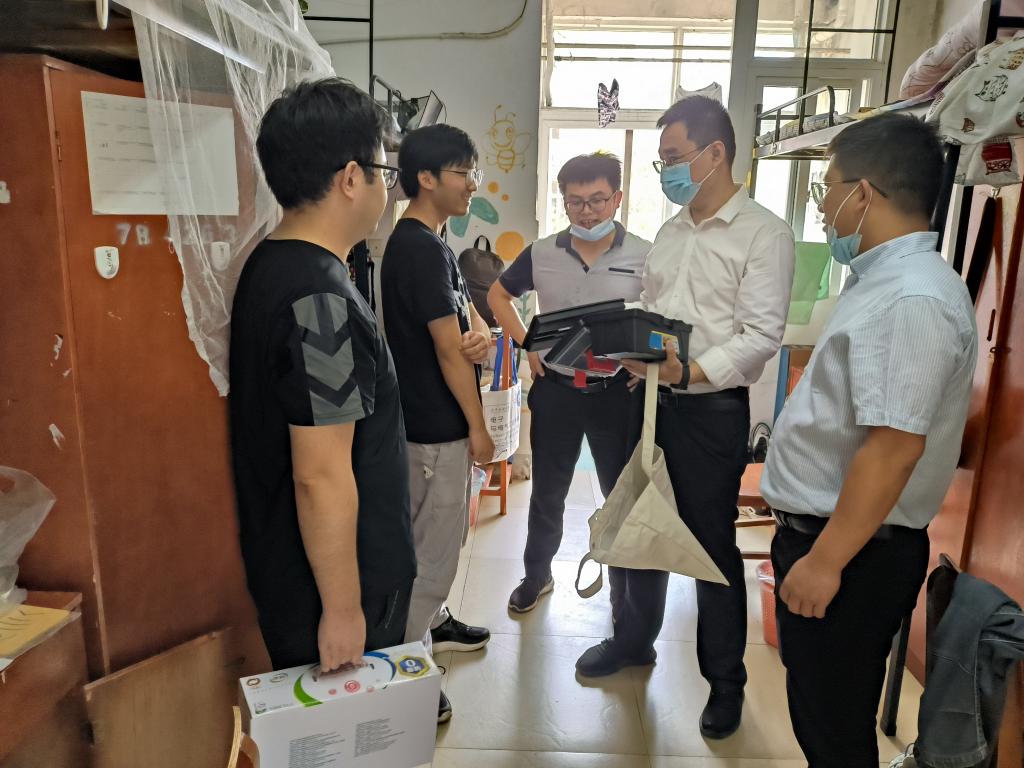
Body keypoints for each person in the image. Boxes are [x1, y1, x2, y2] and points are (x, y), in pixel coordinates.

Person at [575, 96, 796, 743]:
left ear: (714, 153)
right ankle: (632, 641)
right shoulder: (671, 232)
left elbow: (760, 336)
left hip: (709, 411)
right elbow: (653, 306)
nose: (665, 171)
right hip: (646, 400)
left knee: (709, 548)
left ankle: (725, 684)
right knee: (636, 523)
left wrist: (688, 372)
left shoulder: (763, 234)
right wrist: (629, 343)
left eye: (673, 158)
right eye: (662, 161)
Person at [761, 113, 978, 766]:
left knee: (834, 729)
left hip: (853, 553)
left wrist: (826, 561)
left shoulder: (912, 299)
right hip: (839, 541)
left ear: (863, 193)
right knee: (821, 713)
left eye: (825, 187)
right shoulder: (880, 282)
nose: (820, 204)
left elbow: (893, 448)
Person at [229, 78, 416, 676]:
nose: (387, 187)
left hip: (293, 568)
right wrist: (343, 610)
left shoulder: (271, 262)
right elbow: (320, 474)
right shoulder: (321, 304)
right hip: (337, 586)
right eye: (384, 171)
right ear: (351, 178)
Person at [487, 152, 651, 613]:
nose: (587, 211)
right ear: (564, 202)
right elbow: (498, 295)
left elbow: (665, 311)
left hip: (617, 392)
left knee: (619, 495)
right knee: (547, 492)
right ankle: (537, 575)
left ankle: (622, 591)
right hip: (557, 390)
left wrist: (646, 362)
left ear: (617, 198)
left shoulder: (646, 253)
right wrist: (528, 342)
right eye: (575, 201)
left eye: (597, 199)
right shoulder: (542, 252)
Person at [381, 124, 493, 724]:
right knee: (433, 553)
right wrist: (478, 427)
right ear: (426, 177)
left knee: (435, 541)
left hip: (432, 422)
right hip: (433, 428)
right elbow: (448, 352)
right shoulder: (417, 248)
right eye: (463, 173)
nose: (472, 184)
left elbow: (464, 322)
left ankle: (430, 627)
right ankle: (406, 669)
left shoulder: (435, 241)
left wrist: (479, 334)